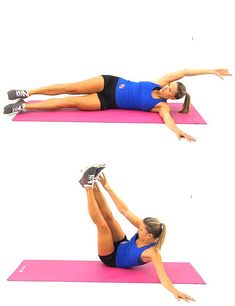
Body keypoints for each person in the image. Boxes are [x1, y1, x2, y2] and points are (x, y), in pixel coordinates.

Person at [4, 68, 231, 141]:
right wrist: (211, 71)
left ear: (171, 98)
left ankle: (24, 107)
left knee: (68, 102)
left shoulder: (161, 106)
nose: (165, 88)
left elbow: (169, 121)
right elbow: (185, 71)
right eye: (168, 85)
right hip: (111, 82)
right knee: (70, 87)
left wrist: (179, 132)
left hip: (107, 101)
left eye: (168, 91)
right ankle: (28, 91)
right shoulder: (160, 81)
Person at [79, 164, 195, 302]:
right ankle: (91, 182)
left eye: (141, 229)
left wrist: (175, 291)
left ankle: (87, 188)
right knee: (109, 216)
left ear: (149, 236)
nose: (139, 228)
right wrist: (108, 187)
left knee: (103, 226)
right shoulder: (147, 229)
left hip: (111, 258)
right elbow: (124, 211)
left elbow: (163, 277)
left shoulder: (153, 253)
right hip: (121, 243)